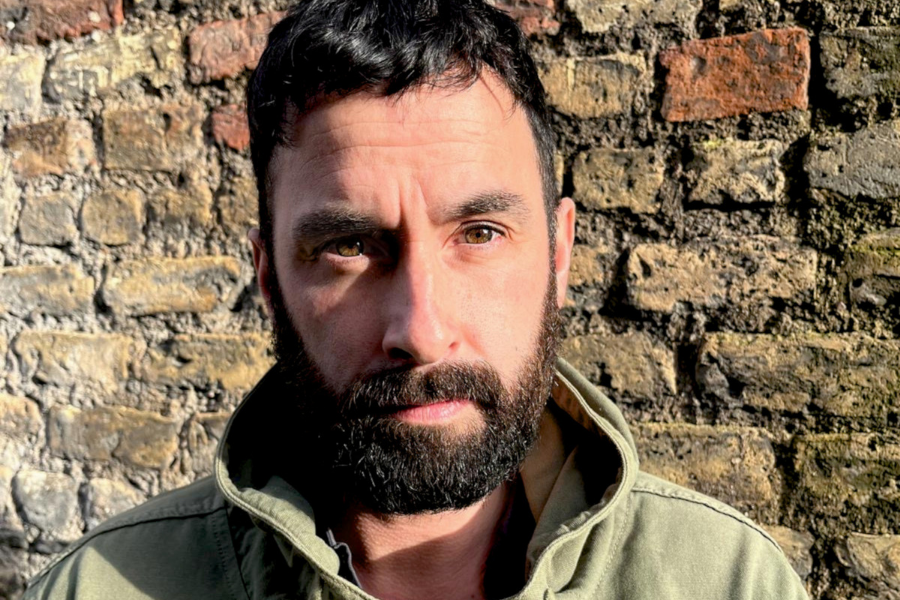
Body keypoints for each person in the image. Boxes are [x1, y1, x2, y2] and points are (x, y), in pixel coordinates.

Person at [25, 1, 808, 598]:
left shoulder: (729, 580)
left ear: (561, 252)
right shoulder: (96, 586)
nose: (422, 332)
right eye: (350, 246)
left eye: (479, 232)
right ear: (269, 280)